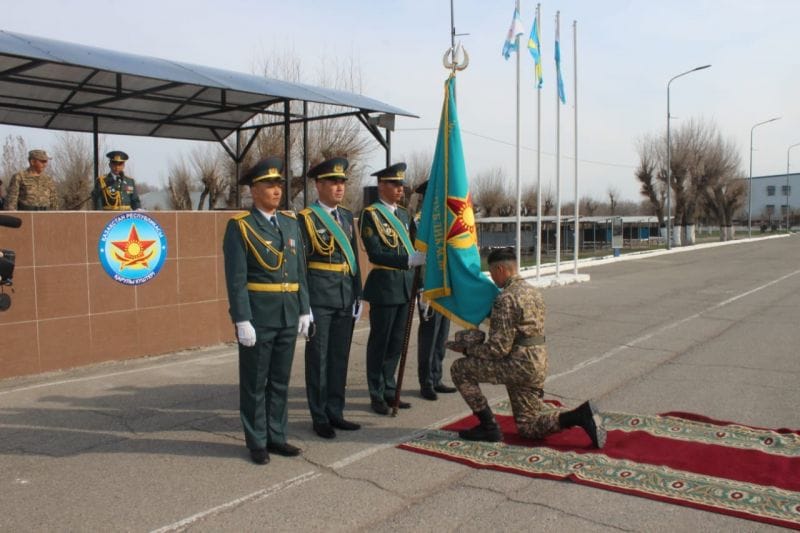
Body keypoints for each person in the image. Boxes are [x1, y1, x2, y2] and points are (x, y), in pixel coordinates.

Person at [447, 247, 605, 448]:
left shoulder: (506, 298)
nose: (492, 278)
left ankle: (488, 427)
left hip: (518, 365)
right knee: (529, 427)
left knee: (460, 369)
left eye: (492, 272)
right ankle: (578, 416)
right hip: (537, 363)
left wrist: (467, 350)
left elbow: (497, 349)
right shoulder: (533, 292)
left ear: (501, 269)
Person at [222, 156, 311, 465]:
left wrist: (304, 309)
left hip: (287, 314)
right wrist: (241, 319)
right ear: (254, 190)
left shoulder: (289, 222)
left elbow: (299, 270)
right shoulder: (241, 226)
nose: (277, 190)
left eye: (279, 185)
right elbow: (236, 279)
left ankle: (277, 435)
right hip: (259, 316)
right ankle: (257, 440)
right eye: (270, 185)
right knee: (255, 382)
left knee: (280, 381)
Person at [298, 157, 363, 439]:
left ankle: (336, 411)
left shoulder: (346, 216)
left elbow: (353, 259)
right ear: (319, 185)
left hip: (345, 296)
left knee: (339, 358)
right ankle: (320, 416)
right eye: (333, 182)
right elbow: (300, 266)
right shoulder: (306, 218)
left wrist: (358, 294)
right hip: (319, 298)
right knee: (319, 359)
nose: (339, 187)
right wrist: (305, 306)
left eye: (342, 182)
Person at [360, 162, 426, 415]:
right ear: (381, 186)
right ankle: (376, 393)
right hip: (385, 286)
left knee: (397, 343)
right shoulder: (371, 215)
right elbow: (375, 252)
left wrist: (420, 286)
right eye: (395, 184)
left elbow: (415, 249)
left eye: (401, 185)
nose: (400, 189)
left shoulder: (404, 215)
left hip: (405, 286)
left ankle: (389, 388)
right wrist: (407, 260)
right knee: (381, 342)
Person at [413, 180, 456, 401]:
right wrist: (422, 288)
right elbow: (420, 256)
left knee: (441, 335)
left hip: (444, 284)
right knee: (429, 336)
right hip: (428, 286)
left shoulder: (444, 221)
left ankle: (437, 377)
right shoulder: (419, 222)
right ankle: (426, 382)